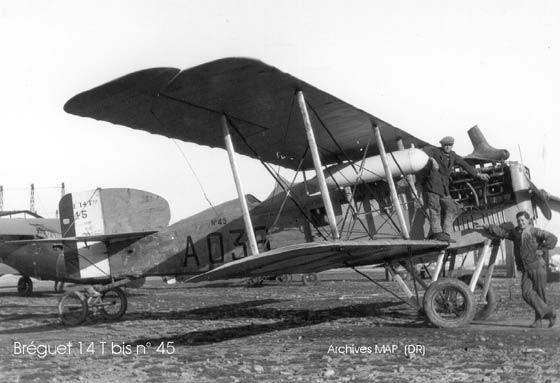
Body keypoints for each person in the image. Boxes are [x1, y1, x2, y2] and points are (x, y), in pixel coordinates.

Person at [479, 211, 557, 328]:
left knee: (540, 294)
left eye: (523, 220)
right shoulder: (515, 232)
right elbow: (501, 232)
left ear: (528, 220)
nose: (521, 222)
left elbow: (553, 238)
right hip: (525, 269)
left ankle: (538, 321)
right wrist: (487, 226)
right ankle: (550, 312)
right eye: (519, 220)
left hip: (537, 267)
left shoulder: (535, 231)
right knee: (526, 293)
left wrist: (542, 248)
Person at [422, 136, 490, 242]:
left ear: (452, 145)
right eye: (445, 145)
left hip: (444, 188)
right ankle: (437, 233)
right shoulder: (434, 151)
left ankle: (445, 233)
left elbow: (464, 164)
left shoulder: (453, 155)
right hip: (433, 185)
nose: (448, 147)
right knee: (435, 209)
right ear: (442, 145)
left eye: (450, 145)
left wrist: (478, 174)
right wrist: (431, 160)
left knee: (453, 209)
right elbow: (423, 151)